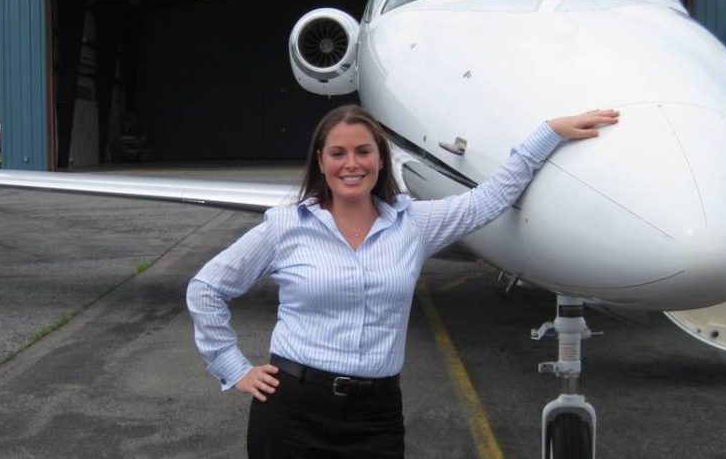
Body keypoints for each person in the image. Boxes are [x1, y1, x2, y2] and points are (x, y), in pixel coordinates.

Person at [186, 105, 619, 458]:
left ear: (381, 159)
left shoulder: (413, 223)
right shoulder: (286, 226)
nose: (351, 164)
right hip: (292, 413)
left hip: (374, 418)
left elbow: (488, 200)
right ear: (320, 161)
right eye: (338, 153)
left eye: (363, 151)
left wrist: (546, 134)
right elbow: (206, 289)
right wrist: (234, 368)